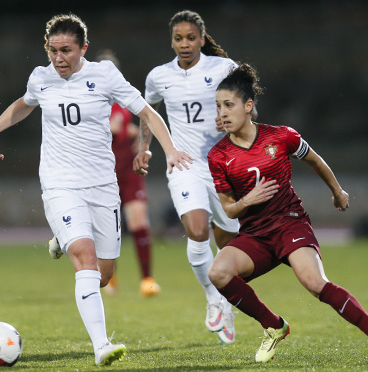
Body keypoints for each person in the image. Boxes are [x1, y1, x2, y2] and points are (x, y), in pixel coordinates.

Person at [0, 13, 193, 366]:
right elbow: (24, 104)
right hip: (60, 183)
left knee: (105, 273)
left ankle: (61, 240)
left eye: (66, 50)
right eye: (52, 50)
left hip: (102, 186)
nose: (58, 58)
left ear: (84, 49)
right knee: (85, 257)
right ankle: (101, 346)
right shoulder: (41, 77)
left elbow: (147, 111)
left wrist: (169, 150)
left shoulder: (104, 75)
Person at [206, 63, 368, 363]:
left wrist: (337, 192)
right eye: (218, 106)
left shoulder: (281, 136)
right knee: (218, 272)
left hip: (289, 225)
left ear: (248, 106)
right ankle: (273, 326)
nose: (222, 113)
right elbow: (229, 209)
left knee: (314, 283)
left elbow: (316, 160)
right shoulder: (218, 155)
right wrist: (249, 200)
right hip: (255, 235)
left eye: (228, 105)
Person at [134, 10, 239, 344]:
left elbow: (248, 109)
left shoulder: (223, 69)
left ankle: (227, 302)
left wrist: (233, 123)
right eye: (178, 38)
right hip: (184, 166)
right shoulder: (158, 77)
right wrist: (144, 148)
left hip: (223, 166)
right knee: (196, 232)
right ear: (172, 41)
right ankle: (212, 298)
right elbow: (148, 114)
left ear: (202, 40)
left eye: (191, 38)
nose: (184, 44)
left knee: (228, 243)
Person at [95, 49, 161, 297]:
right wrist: (112, 128)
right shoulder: (90, 102)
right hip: (104, 174)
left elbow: (128, 124)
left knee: (139, 222)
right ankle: (110, 278)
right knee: (109, 227)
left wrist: (135, 135)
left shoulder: (122, 100)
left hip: (129, 172)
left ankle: (147, 280)